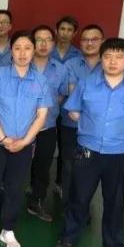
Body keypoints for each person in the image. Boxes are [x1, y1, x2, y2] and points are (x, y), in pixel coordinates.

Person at [56, 38, 124, 247]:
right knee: (79, 198)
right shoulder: (87, 83)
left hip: (120, 154)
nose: (113, 61)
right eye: (108, 56)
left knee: (115, 201)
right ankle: (68, 237)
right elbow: (73, 111)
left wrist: (120, 131)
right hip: (87, 151)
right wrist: (89, 127)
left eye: (119, 57)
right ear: (101, 58)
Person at [0, 30, 52, 247]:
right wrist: (3, 138)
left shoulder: (40, 80)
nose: (22, 53)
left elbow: (41, 115)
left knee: (14, 188)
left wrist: (25, 141)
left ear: (34, 51)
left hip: (24, 145)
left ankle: (8, 230)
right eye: (17, 48)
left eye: (27, 48)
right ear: (11, 51)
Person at [27, 25, 69, 222]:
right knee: (15, 166)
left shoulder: (61, 69)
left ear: (53, 43)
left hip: (47, 125)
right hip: (20, 126)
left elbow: (61, 95)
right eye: (38, 39)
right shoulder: (21, 64)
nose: (43, 44)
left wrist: (45, 110)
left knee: (43, 165)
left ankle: (37, 201)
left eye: (47, 40)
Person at [58, 25, 103, 206]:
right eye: (85, 40)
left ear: (102, 42)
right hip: (71, 125)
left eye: (94, 39)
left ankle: (83, 206)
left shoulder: (108, 64)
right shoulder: (71, 64)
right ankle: (68, 207)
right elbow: (71, 94)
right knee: (69, 166)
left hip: (98, 128)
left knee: (91, 169)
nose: (89, 43)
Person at [51, 16, 81, 198]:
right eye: (62, 29)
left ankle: (60, 183)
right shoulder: (47, 51)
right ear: (57, 31)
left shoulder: (78, 55)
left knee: (66, 150)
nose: (65, 33)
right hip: (47, 109)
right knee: (42, 149)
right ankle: (35, 184)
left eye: (69, 30)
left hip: (68, 112)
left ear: (74, 33)